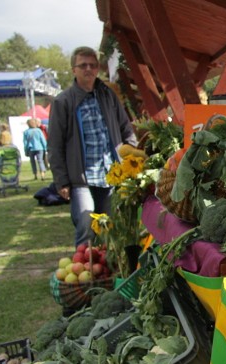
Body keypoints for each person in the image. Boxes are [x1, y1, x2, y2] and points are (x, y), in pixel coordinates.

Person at [48, 46, 138, 248]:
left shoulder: (108, 96)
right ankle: (86, 274)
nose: (88, 69)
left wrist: (132, 156)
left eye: (93, 65)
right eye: (83, 65)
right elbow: (55, 145)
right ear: (74, 70)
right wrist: (61, 180)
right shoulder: (63, 102)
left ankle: (107, 271)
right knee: (86, 225)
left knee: (109, 228)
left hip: (110, 175)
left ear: (98, 68)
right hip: (82, 178)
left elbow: (126, 128)